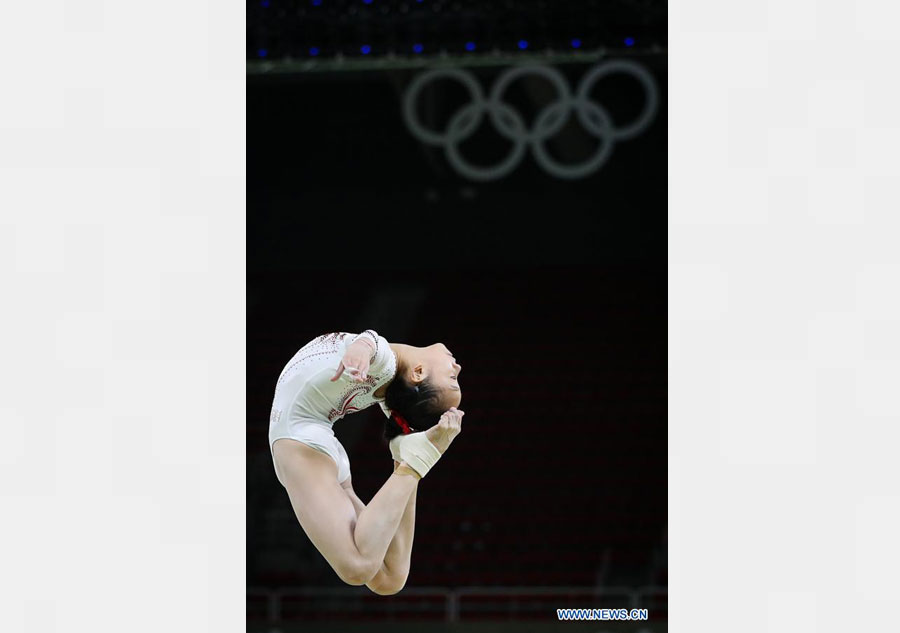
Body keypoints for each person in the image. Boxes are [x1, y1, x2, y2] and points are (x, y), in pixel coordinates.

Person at [268, 329, 465, 594]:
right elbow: (370, 342)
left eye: (452, 377)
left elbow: (371, 341)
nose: (458, 366)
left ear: (418, 373)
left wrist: (362, 348)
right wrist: (362, 348)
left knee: (373, 573)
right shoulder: (386, 368)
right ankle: (412, 461)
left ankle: (411, 462)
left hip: (302, 440)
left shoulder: (385, 364)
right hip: (315, 446)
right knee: (386, 578)